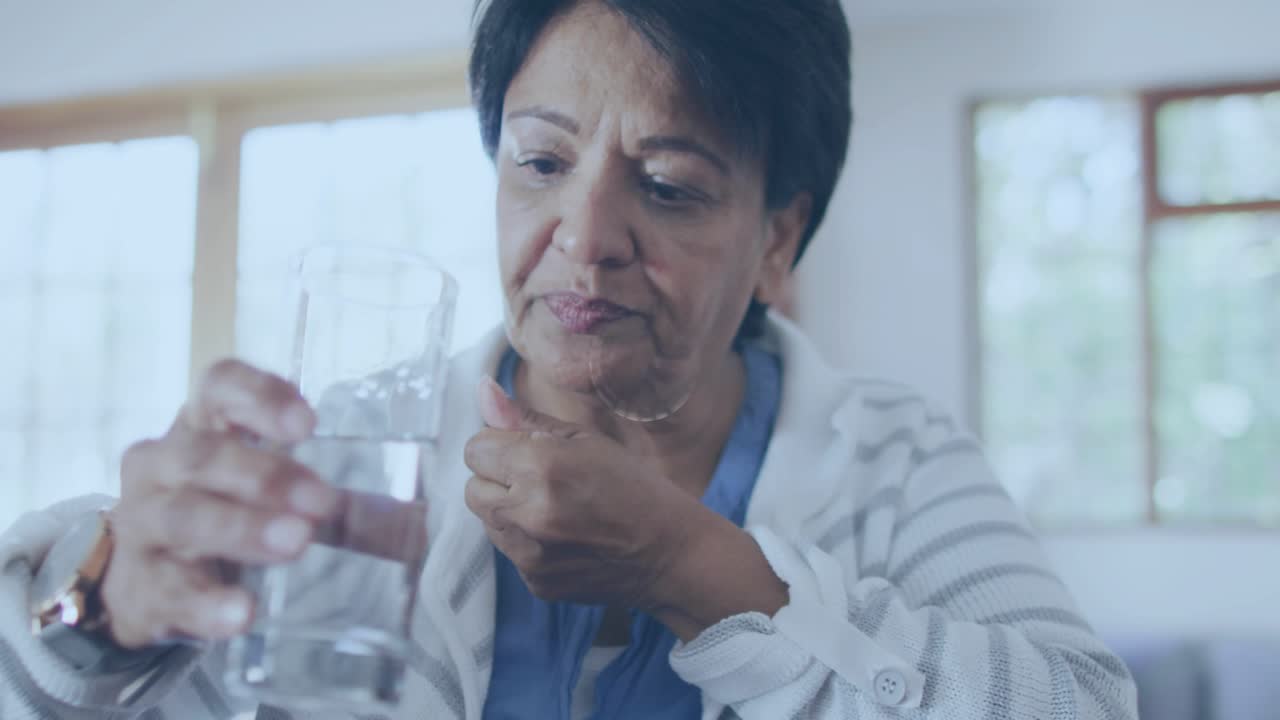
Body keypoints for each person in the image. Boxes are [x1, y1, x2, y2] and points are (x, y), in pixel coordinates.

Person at [0, 1, 1139, 718]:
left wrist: (692, 568)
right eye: (541, 163)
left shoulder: (892, 457)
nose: (583, 239)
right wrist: (102, 612)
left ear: (775, 243)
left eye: (669, 185)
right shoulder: (360, 448)